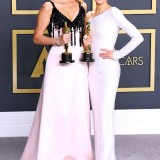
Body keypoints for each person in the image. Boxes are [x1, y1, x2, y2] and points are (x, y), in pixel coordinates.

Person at [20, 0, 94, 159]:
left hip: (79, 60)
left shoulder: (82, 5)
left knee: (77, 104)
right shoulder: (49, 6)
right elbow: (37, 37)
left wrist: (85, 41)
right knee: (55, 104)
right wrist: (57, 40)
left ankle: (78, 152)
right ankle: (51, 152)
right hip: (57, 59)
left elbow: (81, 34)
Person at [85, 0, 144, 159]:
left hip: (107, 70)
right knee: (97, 116)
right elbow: (88, 45)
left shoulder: (113, 12)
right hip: (91, 69)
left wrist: (116, 54)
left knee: (104, 115)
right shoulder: (89, 16)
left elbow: (138, 37)